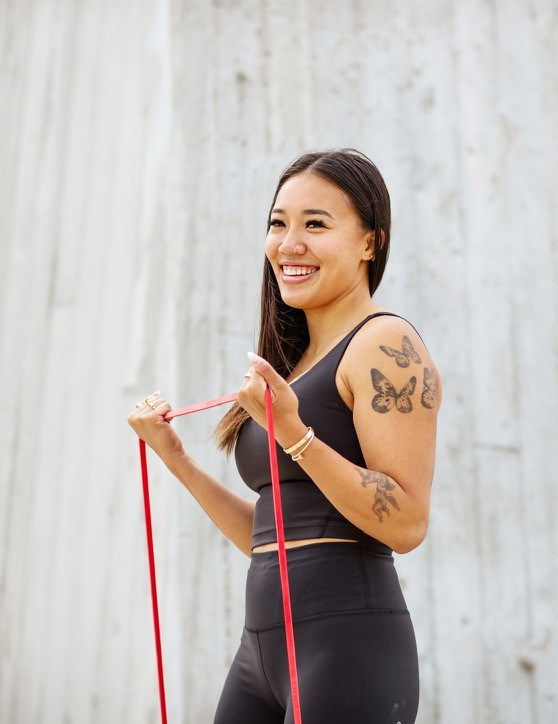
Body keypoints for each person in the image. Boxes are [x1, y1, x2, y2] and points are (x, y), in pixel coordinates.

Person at [127, 148, 441, 724]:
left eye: (315, 224)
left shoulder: (384, 344)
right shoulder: (291, 365)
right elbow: (271, 539)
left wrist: (296, 435)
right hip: (261, 652)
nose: (288, 243)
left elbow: (406, 523)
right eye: (279, 223)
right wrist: (179, 462)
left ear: (370, 242)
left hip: (348, 646)